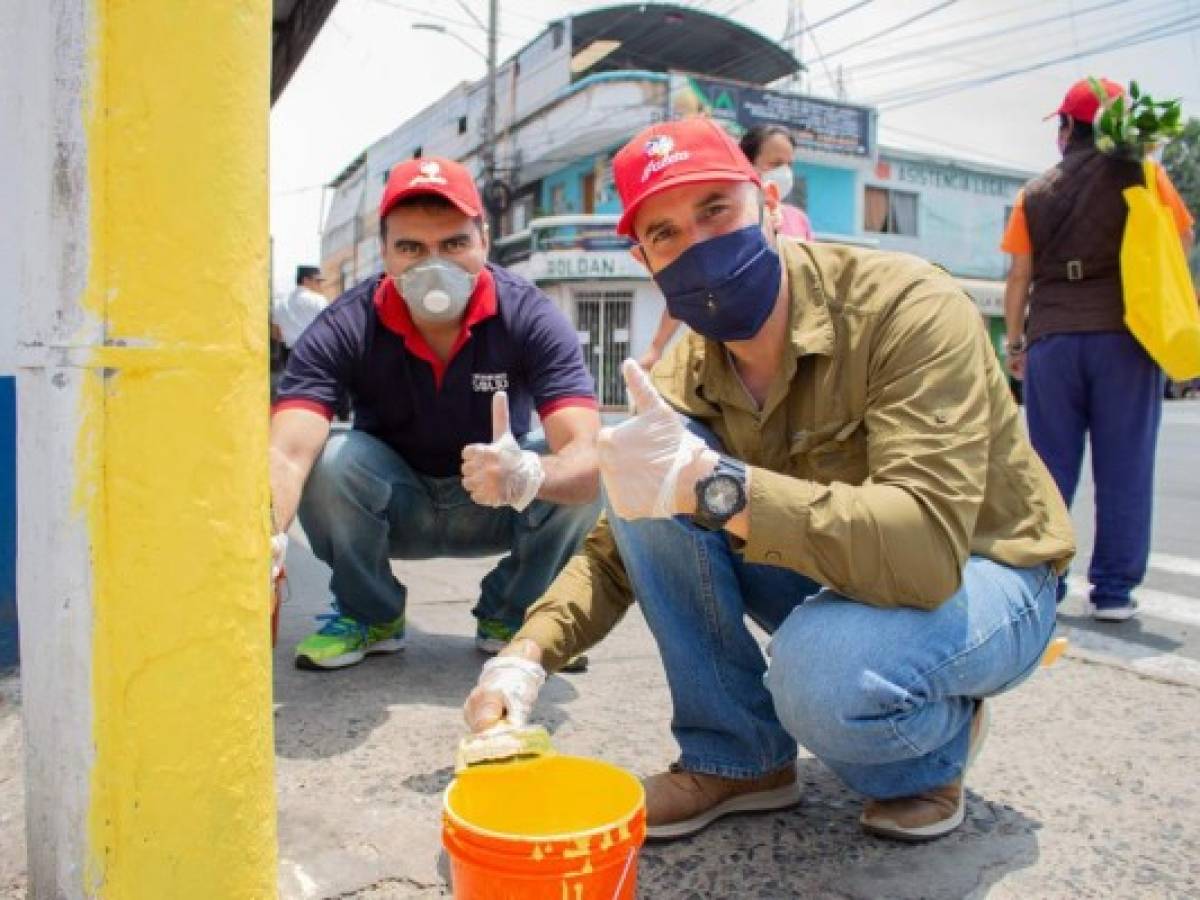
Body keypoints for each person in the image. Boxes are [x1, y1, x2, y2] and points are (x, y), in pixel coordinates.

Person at [464, 117, 1075, 844]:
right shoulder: (690, 366)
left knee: (824, 674)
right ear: (644, 258)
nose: (698, 246)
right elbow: (623, 541)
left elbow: (925, 551)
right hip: (849, 570)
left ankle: (933, 743)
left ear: (768, 203)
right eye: (666, 235)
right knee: (646, 472)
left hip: (985, 567)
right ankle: (738, 759)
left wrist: (713, 486)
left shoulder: (907, 307)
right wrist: (523, 658)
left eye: (715, 210)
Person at [270, 156, 601, 671]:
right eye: (411, 248)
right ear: (384, 253)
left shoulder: (530, 316)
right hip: (394, 505)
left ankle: (517, 614)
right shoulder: (346, 324)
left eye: (453, 244)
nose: (434, 265)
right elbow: (288, 452)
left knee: (580, 471)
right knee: (329, 462)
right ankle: (370, 614)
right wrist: (264, 546)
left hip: (498, 499)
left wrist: (530, 473)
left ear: (483, 242)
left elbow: (585, 453)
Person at [1001, 77, 1194, 621]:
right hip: (1123, 338)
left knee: (1049, 469)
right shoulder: (1144, 175)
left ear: (1067, 128)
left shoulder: (1035, 192)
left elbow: (1019, 276)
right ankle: (1112, 592)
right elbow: (1180, 240)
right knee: (1124, 468)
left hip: (1054, 340)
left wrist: (1016, 342)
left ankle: (1047, 586)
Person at [637, 124, 814, 370]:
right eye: (775, 164)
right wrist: (656, 347)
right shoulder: (719, 231)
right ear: (747, 162)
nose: (785, 172)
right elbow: (692, 291)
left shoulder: (798, 220)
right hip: (732, 358)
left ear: (771, 203)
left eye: (789, 164)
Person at [273, 265, 329, 364]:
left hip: (288, 355)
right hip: (314, 353)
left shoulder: (280, 304)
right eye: (317, 281)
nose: (320, 285)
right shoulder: (319, 300)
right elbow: (329, 328)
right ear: (306, 280)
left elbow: (276, 334)